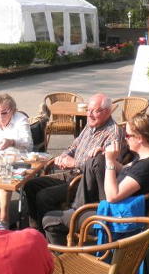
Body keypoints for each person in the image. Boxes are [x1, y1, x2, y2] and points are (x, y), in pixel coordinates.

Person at [42, 112, 149, 244]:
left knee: (50, 220)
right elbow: (126, 170)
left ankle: (64, 258)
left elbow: (112, 197)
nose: (124, 139)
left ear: (140, 138)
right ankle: (77, 209)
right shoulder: (145, 158)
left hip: (116, 218)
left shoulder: (147, 166)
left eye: (127, 135)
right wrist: (106, 156)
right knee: (96, 161)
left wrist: (109, 161)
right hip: (117, 208)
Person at [22, 93, 125, 228]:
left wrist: (75, 163)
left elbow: (101, 167)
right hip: (72, 174)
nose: (89, 114)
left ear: (107, 112)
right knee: (30, 185)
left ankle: (51, 236)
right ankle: (35, 232)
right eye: (88, 110)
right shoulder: (91, 125)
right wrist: (63, 157)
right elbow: (74, 146)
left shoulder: (113, 133)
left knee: (44, 196)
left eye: (95, 111)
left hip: (84, 183)